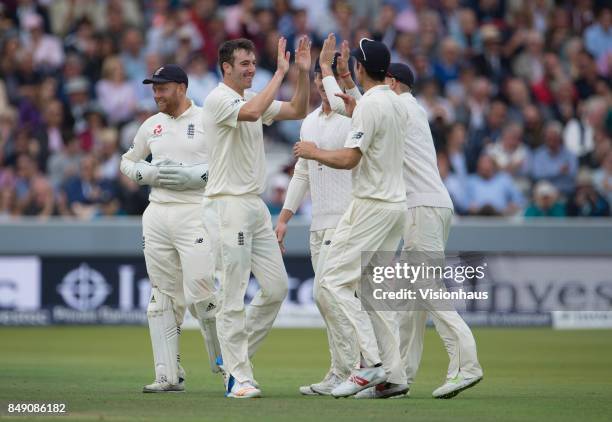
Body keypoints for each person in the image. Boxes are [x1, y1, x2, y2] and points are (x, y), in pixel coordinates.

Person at [294, 35, 408, 398]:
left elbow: (349, 158)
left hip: (371, 205)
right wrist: (337, 78)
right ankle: (395, 376)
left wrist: (313, 151)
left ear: (359, 68)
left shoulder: (371, 105)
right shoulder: (392, 101)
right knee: (373, 295)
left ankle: (370, 365)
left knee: (332, 281)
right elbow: (360, 111)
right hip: (395, 207)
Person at [201, 36, 311, 399]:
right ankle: (237, 377)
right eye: (243, 64)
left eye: (253, 63)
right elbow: (250, 113)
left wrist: (302, 72)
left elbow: (297, 109)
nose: (250, 69)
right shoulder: (218, 100)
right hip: (226, 205)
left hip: (255, 206)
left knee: (277, 288)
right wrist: (279, 72)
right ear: (226, 68)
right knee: (232, 294)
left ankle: (231, 356)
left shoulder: (251, 99)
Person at [381, 63, 483, 399]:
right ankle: (400, 376)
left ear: (393, 84)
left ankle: (466, 366)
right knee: (407, 298)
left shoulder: (399, 106)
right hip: (428, 205)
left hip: (422, 207)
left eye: (382, 83)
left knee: (425, 287)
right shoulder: (412, 108)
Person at [119, 64, 221, 393]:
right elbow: (128, 159)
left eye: (162, 88)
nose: (156, 94)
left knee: (202, 294)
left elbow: (227, 162)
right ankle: (168, 374)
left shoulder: (207, 119)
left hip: (196, 210)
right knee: (161, 298)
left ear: (181, 87)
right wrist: (143, 174)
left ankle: (229, 369)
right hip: (158, 212)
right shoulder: (152, 125)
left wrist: (195, 175)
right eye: (154, 88)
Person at [275, 52, 359, 396]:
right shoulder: (309, 122)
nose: (326, 91)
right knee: (330, 299)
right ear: (315, 85)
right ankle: (343, 370)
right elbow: (302, 172)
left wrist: (313, 153)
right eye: (321, 85)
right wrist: (283, 218)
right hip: (319, 224)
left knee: (326, 294)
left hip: (349, 220)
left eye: (333, 84)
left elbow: (348, 159)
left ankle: (354, 370)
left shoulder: (354, 116)